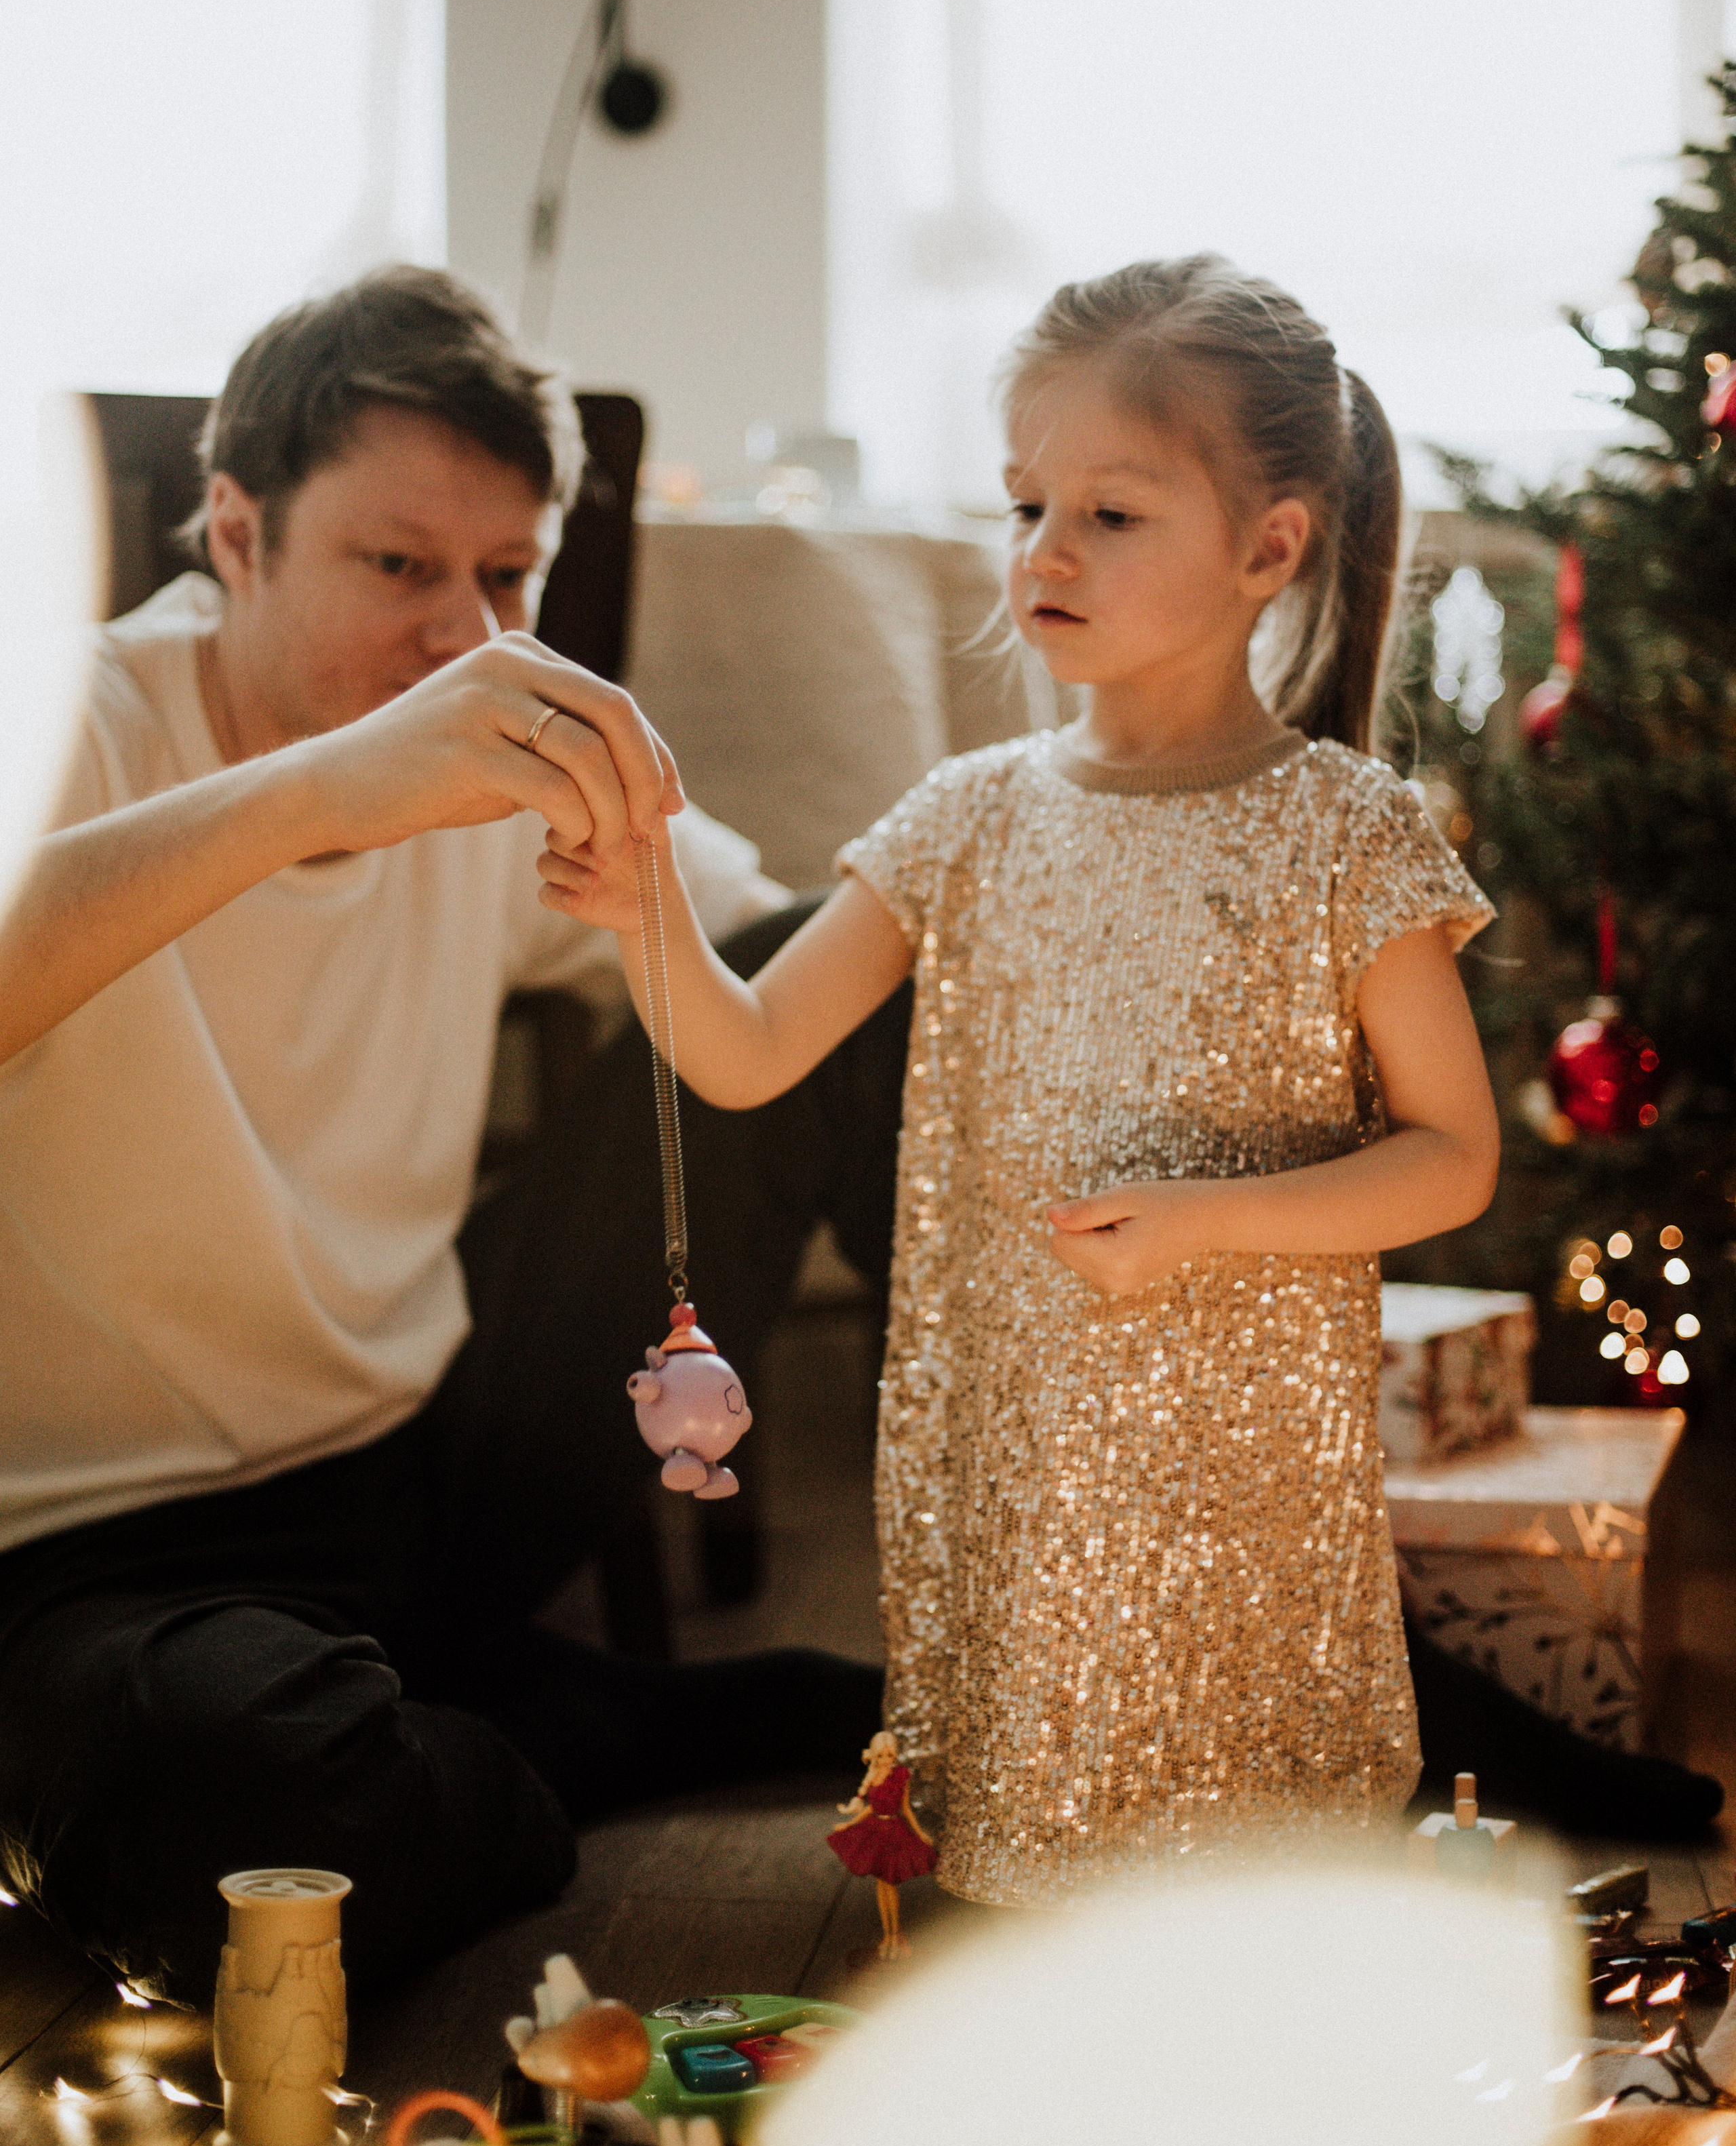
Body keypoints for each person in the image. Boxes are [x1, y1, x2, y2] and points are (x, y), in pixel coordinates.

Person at [540, 252, 1510, 1902]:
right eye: (1019, 505)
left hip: (1244, 1474)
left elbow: (1449, 1157)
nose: (1040, 554)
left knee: (1238, 1888)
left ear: (1266, 548)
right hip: (1012, 1445)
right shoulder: (966, 815)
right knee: (1032, 1879)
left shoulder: (1340, 829)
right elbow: (751, 1051)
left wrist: (1207, 1223)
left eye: (1107, 515)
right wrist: (643, 913)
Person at [0, 267, 898, 2002]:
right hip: (90, 1563)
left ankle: (1061, 1602)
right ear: (237, 535)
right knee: (237, 1812)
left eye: (508, 576)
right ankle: (563, 1728)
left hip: (433, 1460)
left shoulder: (501, 747)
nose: (463, 637)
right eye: (399, 566)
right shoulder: (68, 723)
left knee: (846, 975)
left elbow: (775, 962)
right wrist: (320, 793)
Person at [827, 1730, 936, 1959]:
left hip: (894, 1832)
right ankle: (887, 1935)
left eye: (890, 1755)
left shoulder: (901, 1776)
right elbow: (870, 1808)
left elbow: (906, 1809)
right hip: (876, 1830)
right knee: (881, 1885)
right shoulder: (874, 1776)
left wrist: (920, 1833)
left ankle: (897, 1934)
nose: (887, 1760)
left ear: (895, 1755)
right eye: (882, 1756)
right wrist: (849, 1825)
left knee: (890, 1883)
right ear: (875, 1756)